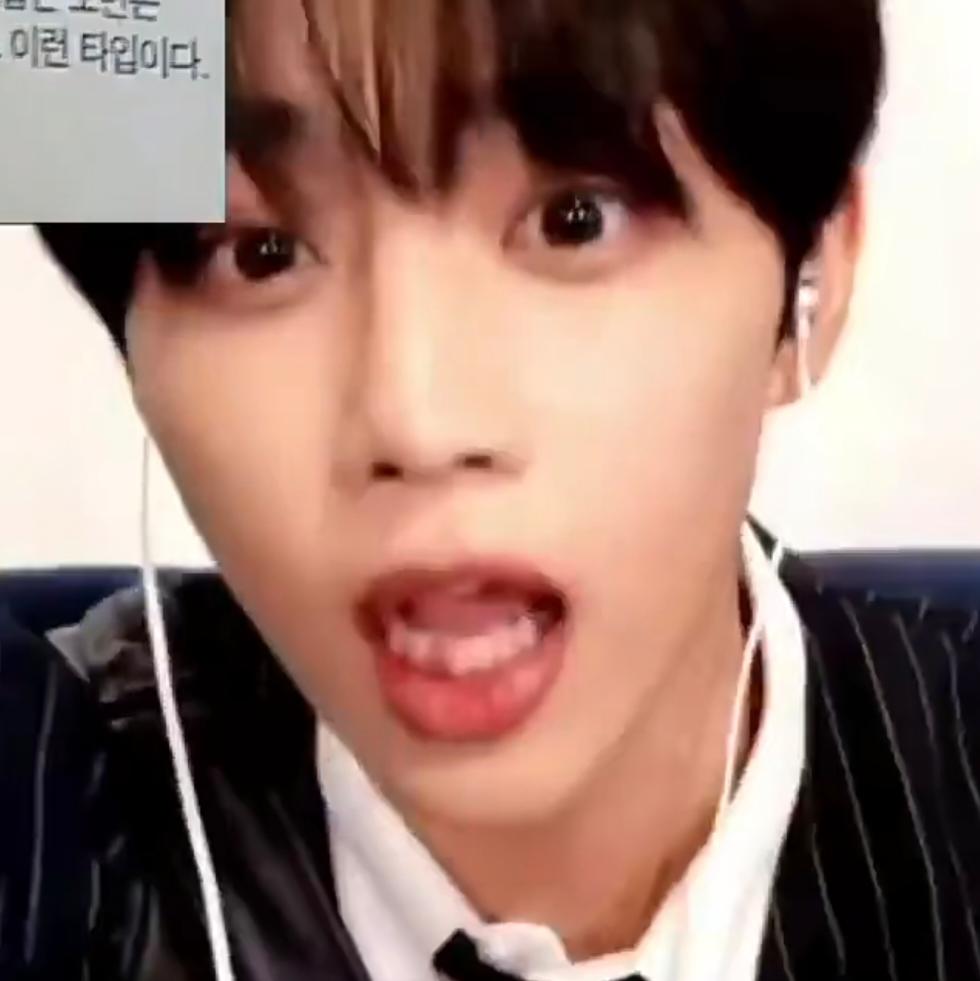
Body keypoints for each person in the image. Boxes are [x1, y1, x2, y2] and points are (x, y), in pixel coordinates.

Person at [32, 0, 980, 978]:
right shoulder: (45, 810)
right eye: (260, 253)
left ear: (811, 281)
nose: (419, 424)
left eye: (574, 221)